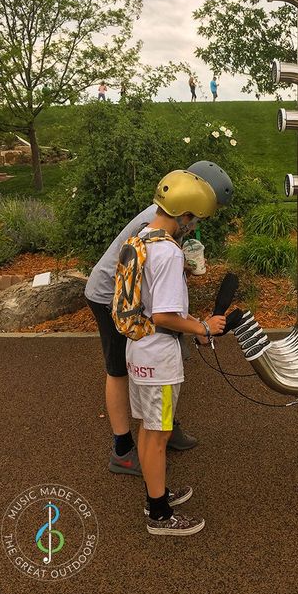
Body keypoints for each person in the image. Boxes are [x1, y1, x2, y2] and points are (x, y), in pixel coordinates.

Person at [84, 161, 234, 478]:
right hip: (109, 293)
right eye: (200, 213)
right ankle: (123, 449)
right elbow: (155, 299)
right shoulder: (153, 225)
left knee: (164, 349)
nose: (196, 224)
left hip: (141, 296)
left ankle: (165, 424)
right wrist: (199, 326)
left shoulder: (170, 216)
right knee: (119, 369)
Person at [127, 170, 226, 536]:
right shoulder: (167, 252)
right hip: (159, 359)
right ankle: (159, 515)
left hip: (138, 351)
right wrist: (203, 327)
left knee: (149, 430)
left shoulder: (143, 237)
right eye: (194, 219)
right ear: (184, 214)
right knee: (159, 435)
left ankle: (158, 493)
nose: (193, 226)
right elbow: (165, 314)